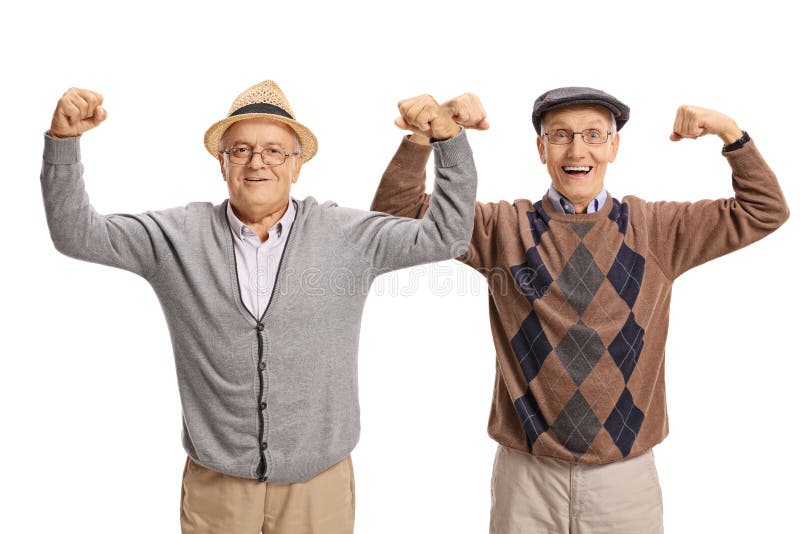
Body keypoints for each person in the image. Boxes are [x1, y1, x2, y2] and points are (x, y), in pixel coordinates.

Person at [40, 80, 477, 534]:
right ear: (221, 162)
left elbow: (446, 235)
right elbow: (77, 234)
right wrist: (64, 144)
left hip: (319, 487)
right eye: (241, 150)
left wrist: (448, 142)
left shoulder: (346, 235)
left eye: (274, 151)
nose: (257, 162)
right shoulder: (177, 237)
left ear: (297, 165)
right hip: (217, 488)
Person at [371, 86, 789, 533]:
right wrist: (426, 133)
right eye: (560, 135)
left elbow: (764, 210)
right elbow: (396, 217)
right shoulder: (503, 228)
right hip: (527, 478)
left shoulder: (658, 230)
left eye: (593, 135)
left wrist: (730, 133)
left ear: (613, 147)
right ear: (541, 148)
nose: (577, 150)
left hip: (625, 479)